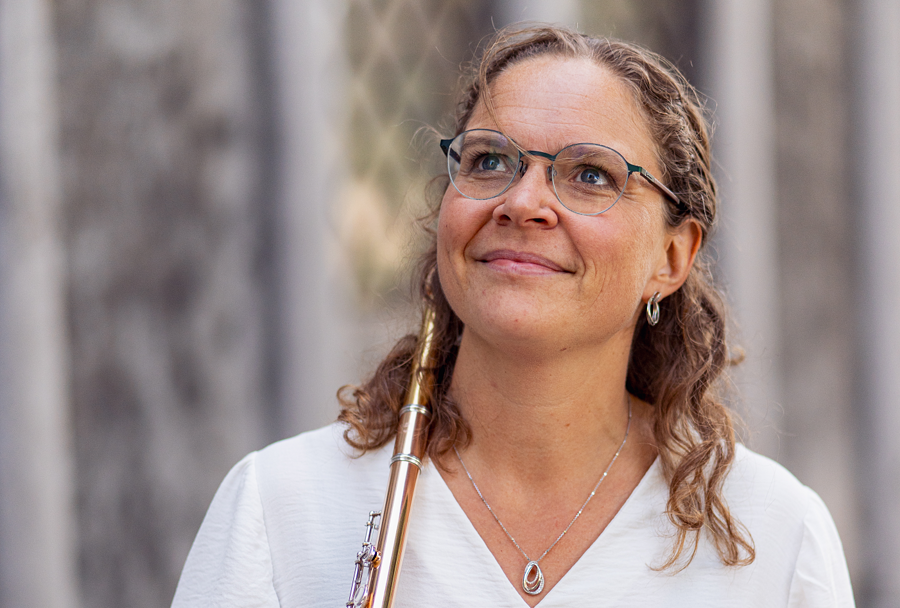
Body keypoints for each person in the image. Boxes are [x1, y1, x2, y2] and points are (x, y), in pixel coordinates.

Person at [171, 24, 854, 607]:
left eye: (591, 174)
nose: (523, 202)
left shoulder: (776, 541)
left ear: (672, 257)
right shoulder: (282, 510)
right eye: (490, 160)